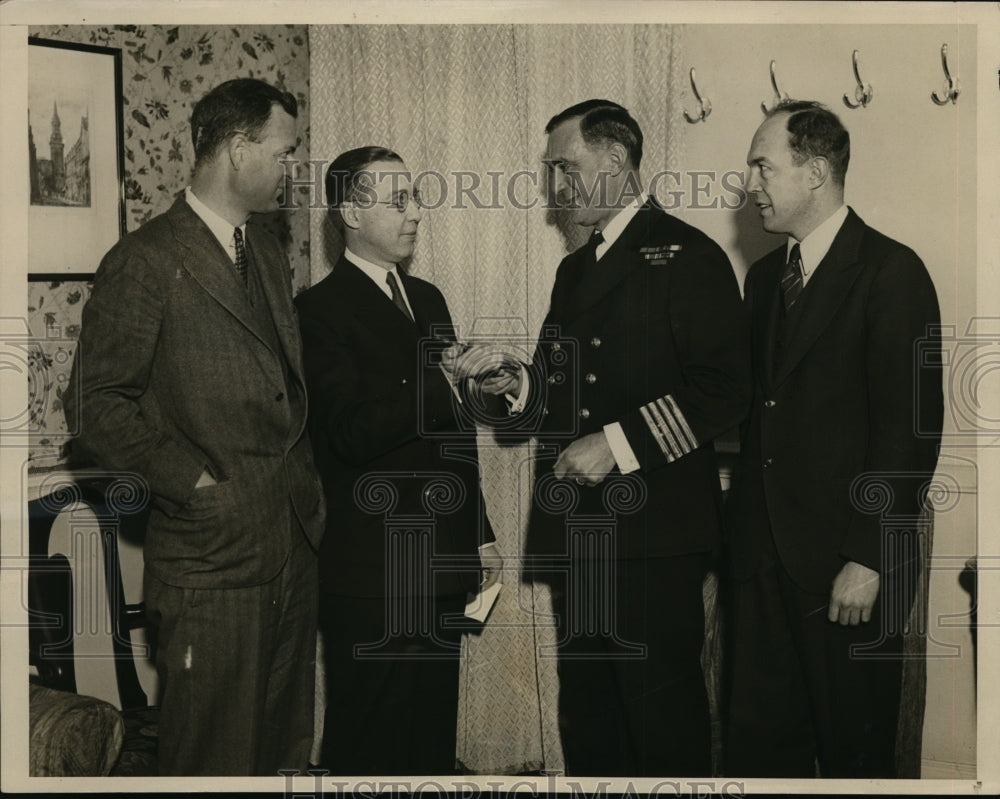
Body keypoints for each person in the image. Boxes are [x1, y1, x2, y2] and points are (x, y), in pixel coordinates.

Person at [457, 100, 751, 776]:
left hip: (653, 536)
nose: (557, 186)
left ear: (615, 162)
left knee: (659, 720)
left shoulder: (687, 255)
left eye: (567, 167)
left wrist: (617, 445)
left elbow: (724, 392)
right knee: (589, 714)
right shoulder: (576, 268)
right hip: (578, 530)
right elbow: (560, 396)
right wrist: (514, 381)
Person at [63, 78, 325, 776]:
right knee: (213, 753)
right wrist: (195, 482)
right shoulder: (145, 260)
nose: (292, 168)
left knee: (282, 745)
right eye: (285, 150)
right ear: (239, 149)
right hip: (211, 559)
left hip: (291, 545)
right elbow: (94, 404)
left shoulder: (265, 250)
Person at [724, 100, 943, 778]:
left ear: (815, 172)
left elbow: (909, 432)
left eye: (764, 165)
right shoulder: (764, 279)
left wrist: (870, 557)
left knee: (857, 756)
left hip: (848, 571)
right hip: (760, 566)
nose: (750, 182)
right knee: (761, 753)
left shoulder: (892, 272)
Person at [295, 147, 502, 775]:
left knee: (431, 733)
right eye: (397, 200)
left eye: (414, 197)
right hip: (371, 570)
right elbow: (349, 434)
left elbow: (456, 434)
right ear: (350, 213)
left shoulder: (429, 298)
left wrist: (480, 535)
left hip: (440, 557)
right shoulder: (317, 312)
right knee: (369, 736)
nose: (415, 213)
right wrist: (445, 384)